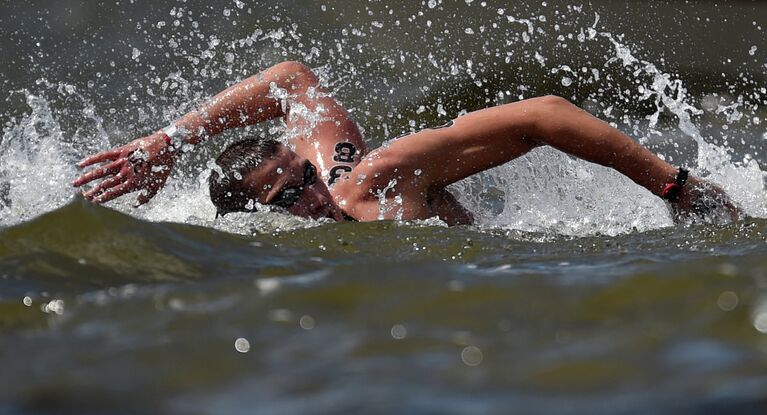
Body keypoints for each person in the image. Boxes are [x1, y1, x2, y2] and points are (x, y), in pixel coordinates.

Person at [74, 60, 741, 226]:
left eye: (304, 178)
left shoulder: (369, 180)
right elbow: (291, 83)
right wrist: (168, 147)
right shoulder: (288, 234)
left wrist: (672, 187)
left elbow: (544, 112)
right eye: (288, 197)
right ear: (262, 214)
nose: (312, 198)